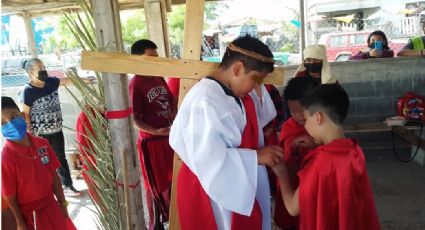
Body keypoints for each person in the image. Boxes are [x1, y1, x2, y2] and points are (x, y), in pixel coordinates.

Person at [169, 35, 283, 230]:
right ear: (237, 68)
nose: (257, 87)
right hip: (212, 188)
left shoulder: (233, 90)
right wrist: (256, 156)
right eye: (255, 80)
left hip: (236, 177)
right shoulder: (205, 101)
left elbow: (261, 115)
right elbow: (208, 159)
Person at [272, 84, 381, 230]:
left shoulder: (321, 161)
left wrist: (281, 172)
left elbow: (292, 208)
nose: (305, 126)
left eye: (305, 119)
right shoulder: (355, 151)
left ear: (317, 117)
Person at [1, 96, 77, 230]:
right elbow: (10, 199)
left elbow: (54, 177)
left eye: (13, 117)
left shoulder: (43, 144)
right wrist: (20, 224)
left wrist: (62, 204)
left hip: (51, 207)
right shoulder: (6, 159)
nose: (10, 124)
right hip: (31, 218)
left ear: (23, 116)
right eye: (2, 123)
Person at [128, 39, 176, 229]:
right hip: (152, 143)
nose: (155, 61)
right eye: (151, 57)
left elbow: (170, 99)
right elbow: (136, 120)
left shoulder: (158, 77)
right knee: (156, 187)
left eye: (156, 57)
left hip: (169, 139)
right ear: (138, 59)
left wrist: (173, 111)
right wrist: (156, 130)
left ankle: (172, 220)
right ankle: (156, 224)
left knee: (171, 182)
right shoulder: (136, 83)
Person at [20, 58, 81, 197]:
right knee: (43, 161)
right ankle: (46, 190)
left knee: (60, 157)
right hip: (40, 134)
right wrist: (29, 134)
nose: (43, 70)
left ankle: (67, 185)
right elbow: (26, 113)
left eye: (43, 67)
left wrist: (85, 80)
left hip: (56, 130)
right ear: (30, 72)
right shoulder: (28, 90)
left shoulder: (51, 82)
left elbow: (66, 81)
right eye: (39, 68)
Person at [273, 77, 319, 230]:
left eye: (302, 111)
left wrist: (315, 147)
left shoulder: (319, 129)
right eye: (293, 111)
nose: (298, 116)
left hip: (307, 191)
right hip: (287, 186)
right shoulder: (288, 126)